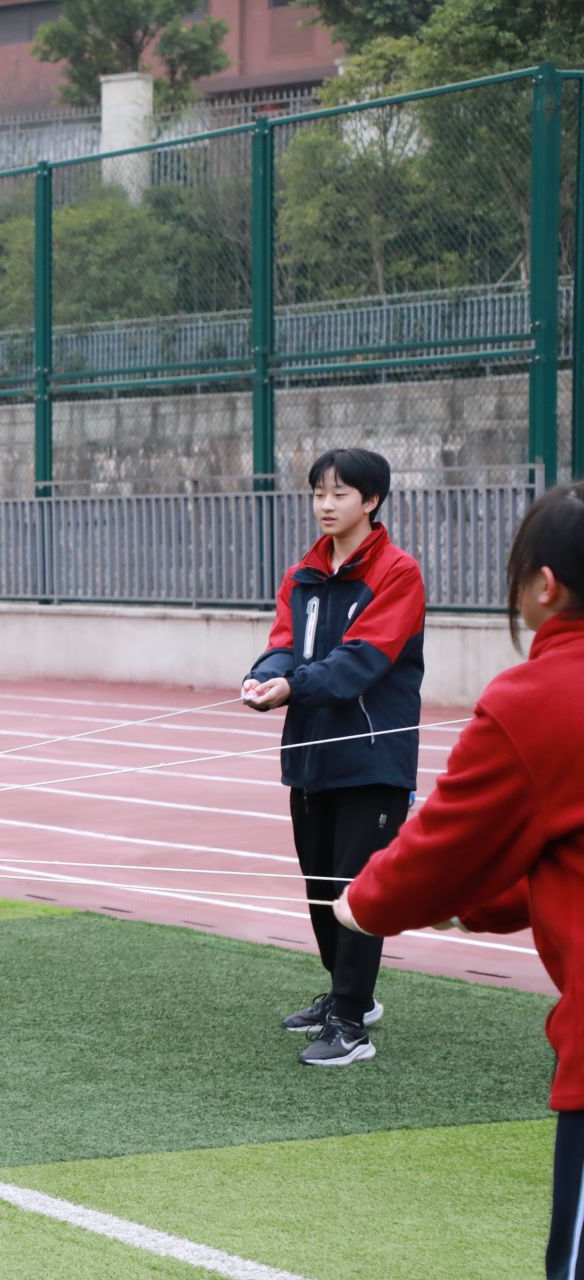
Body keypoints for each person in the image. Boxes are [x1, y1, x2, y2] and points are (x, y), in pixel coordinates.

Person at [332, 481, 584, 1277]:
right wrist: (477, 905)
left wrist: (365, 903)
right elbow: (553, 853)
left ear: (544, 585)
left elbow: (442, 849)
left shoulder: (537, 698)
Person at [241, 447, 424, 1067]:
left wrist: (294, 686)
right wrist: (262, 677)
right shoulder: (303, 574)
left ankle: (351, 1022)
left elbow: (363, 660)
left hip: (371, 760)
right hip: (311, 756)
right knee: (321, 888)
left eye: (341, 493)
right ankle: (349, 996)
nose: (326, 504)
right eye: (319, 492)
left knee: (358, 890)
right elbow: (283, 644)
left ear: (371, 501)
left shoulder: (398, 572)